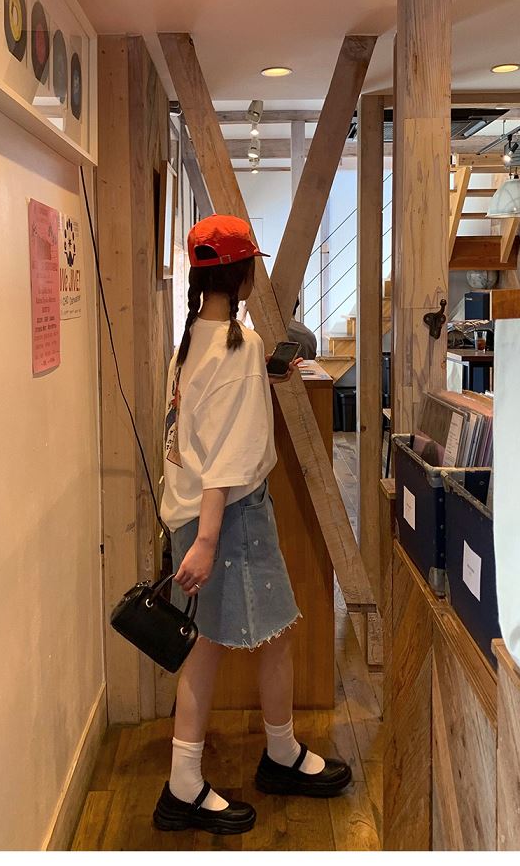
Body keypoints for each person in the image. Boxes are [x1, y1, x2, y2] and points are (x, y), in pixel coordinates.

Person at [153, 213, 353, 835]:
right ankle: (227, 771)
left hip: (192, 510)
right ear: (242, 276)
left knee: (215, 643)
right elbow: (226, 460)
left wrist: (261, 374)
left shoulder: (193, 340)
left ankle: (242, 763)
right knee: (241, 641)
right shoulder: (240, 347)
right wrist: (209, 542)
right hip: (228, 518)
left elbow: (204, 420)